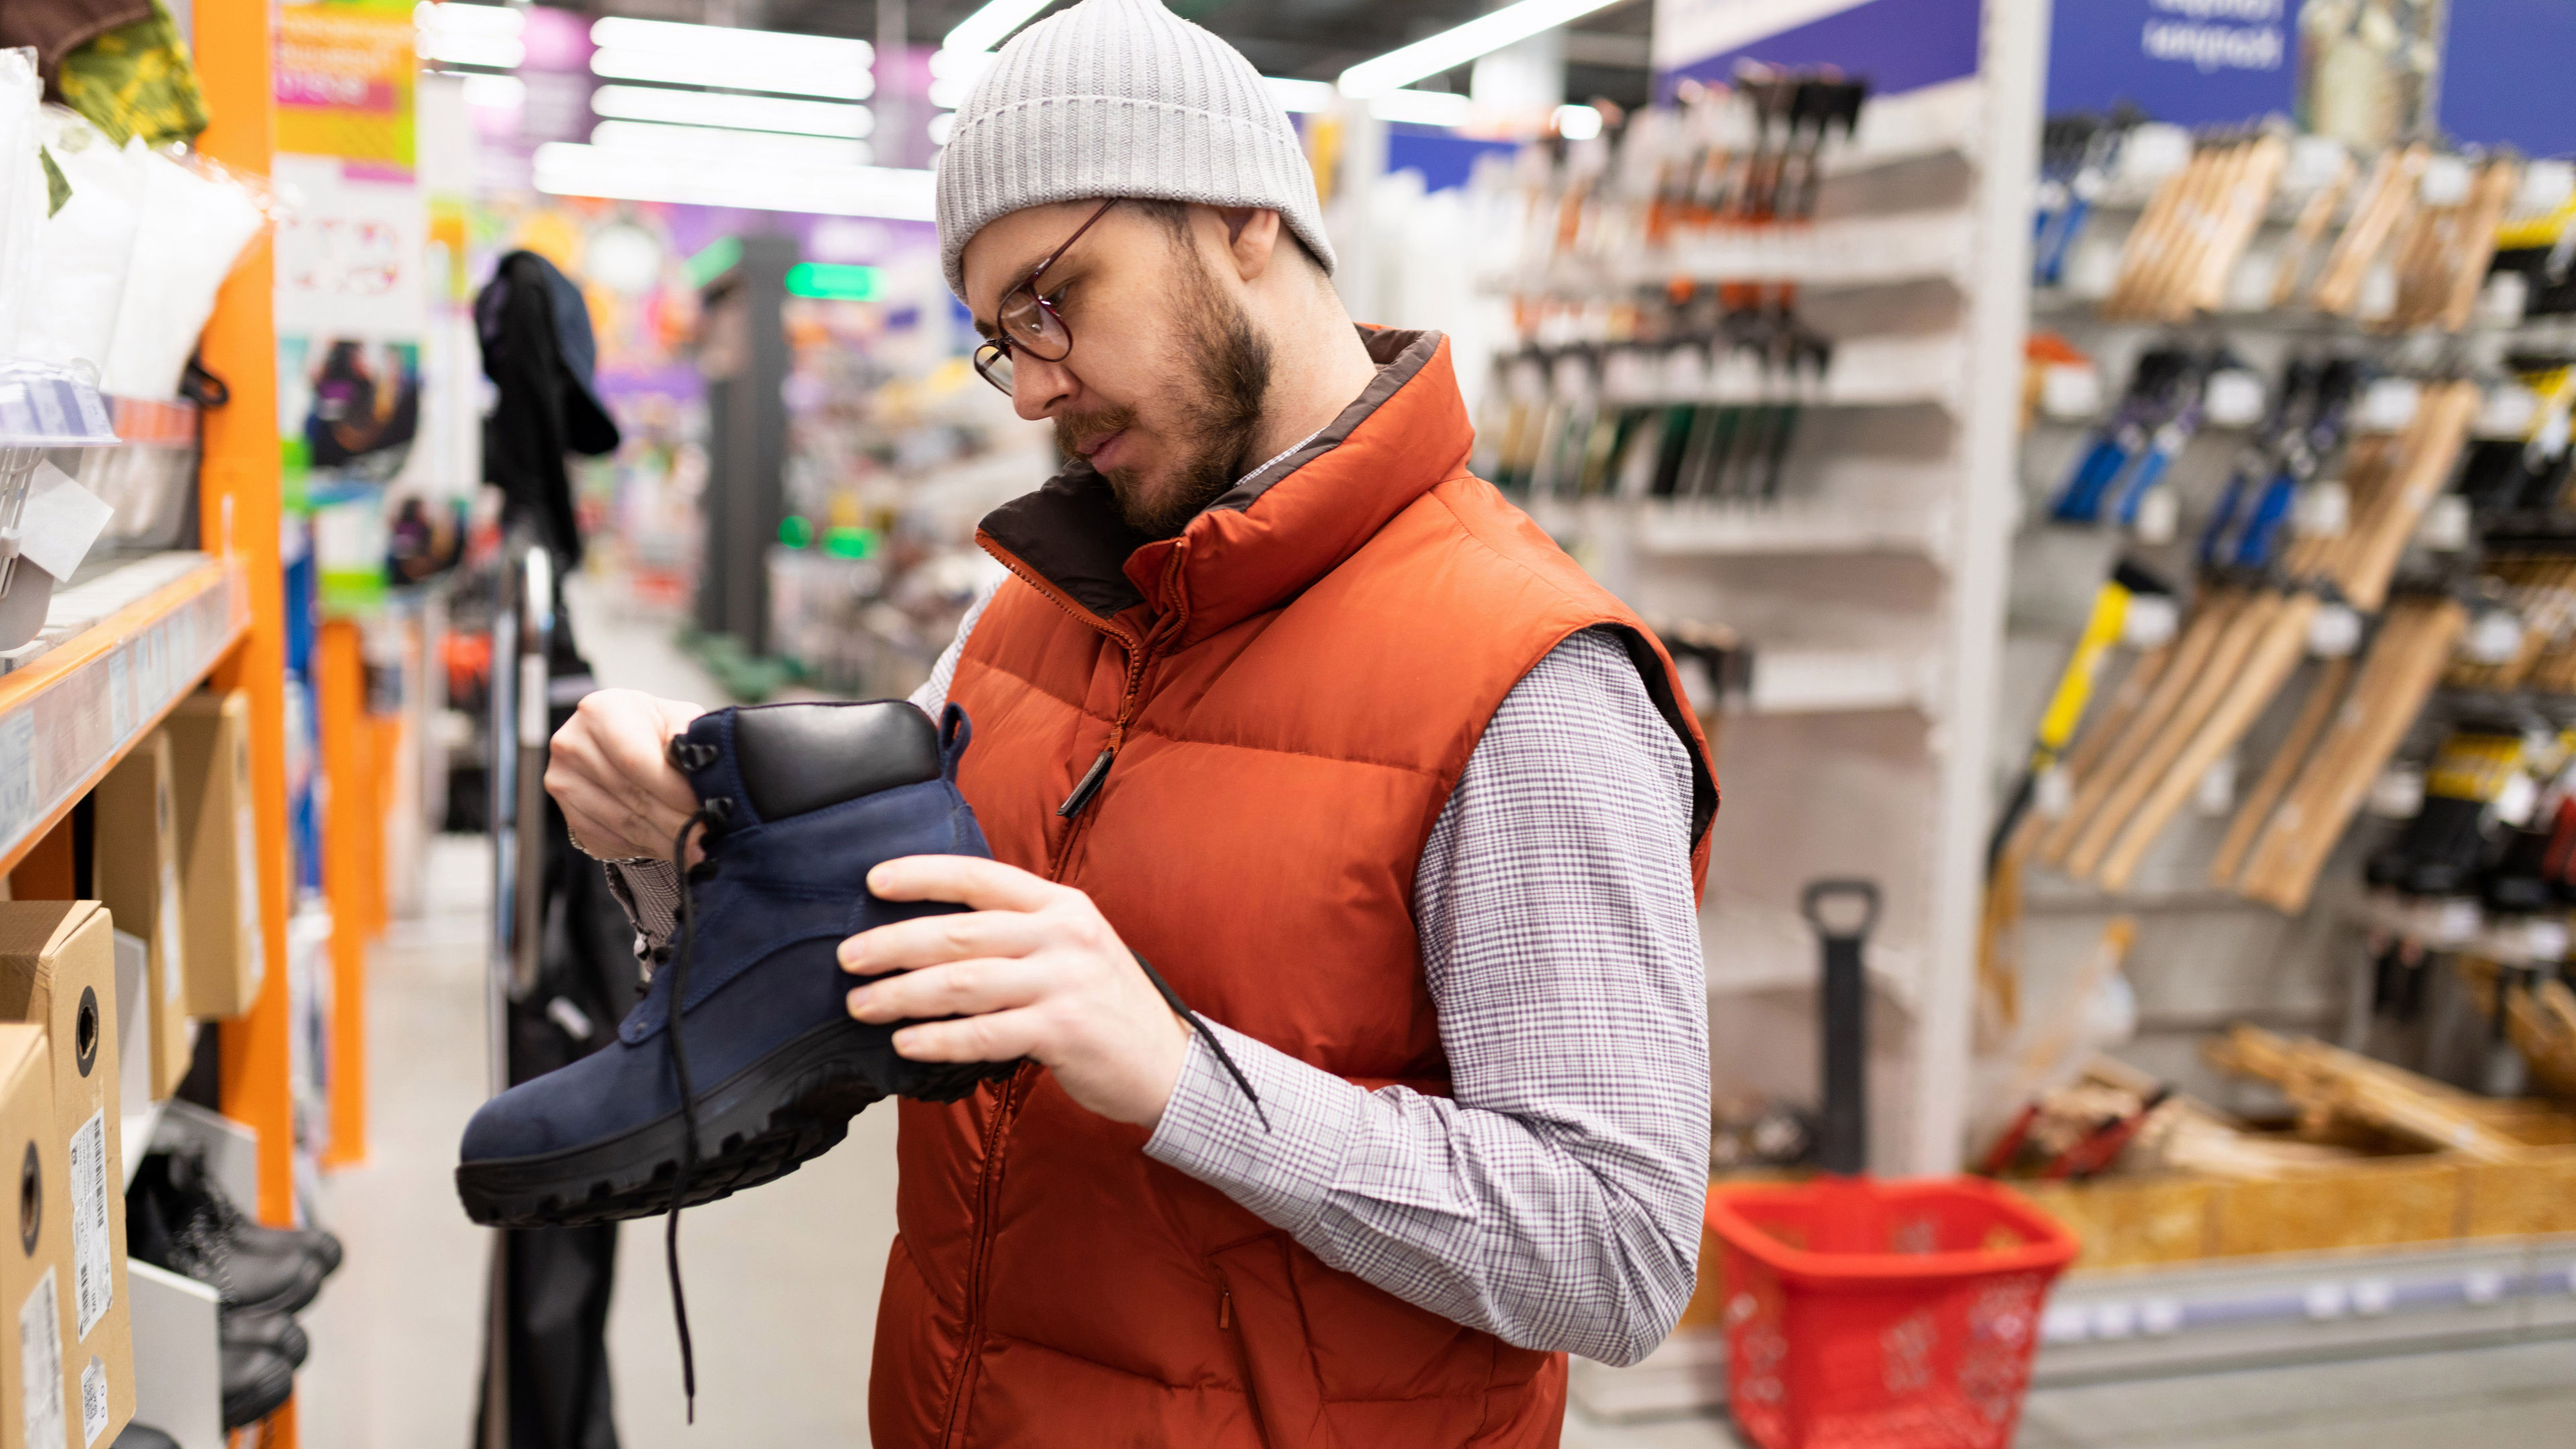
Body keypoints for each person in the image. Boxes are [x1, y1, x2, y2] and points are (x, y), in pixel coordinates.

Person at [541, 0, 1719, 1442]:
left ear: (1239, 220)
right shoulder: (1022, 609)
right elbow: (859, 992)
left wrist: (1178, 1075)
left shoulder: (1532, 678)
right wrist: (681, 844)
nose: (1032, 385)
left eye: (1054, 297)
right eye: (1000, 338)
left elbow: (1618, 1256)